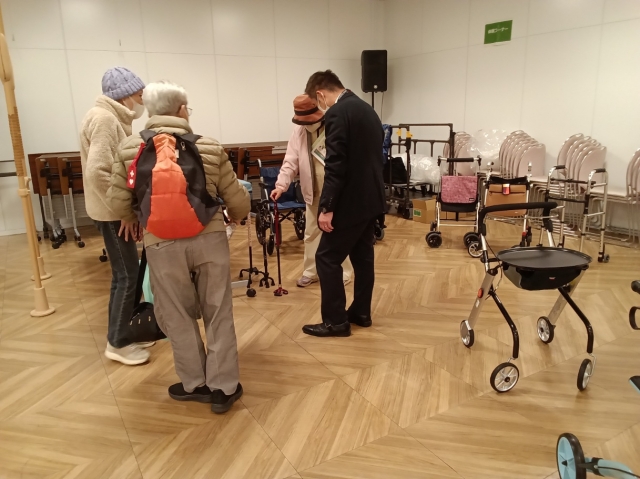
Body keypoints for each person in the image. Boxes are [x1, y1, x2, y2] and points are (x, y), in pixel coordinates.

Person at [108, 81, 251, 414]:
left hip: (161, 242)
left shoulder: (130, 148)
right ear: (182, 109)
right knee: (218, 311)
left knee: (176, 314)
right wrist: (237, 214)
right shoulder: (209, 146)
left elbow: (117, 202)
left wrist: (134, 218)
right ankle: (224, 387)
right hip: (209, 237)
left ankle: (193, 383)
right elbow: (237, 198)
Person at [301, 70, 386, 338]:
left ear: (320, 94)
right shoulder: (367, 110)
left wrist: (326, 208)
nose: (320, 107)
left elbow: (336, 165)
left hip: (350, 202)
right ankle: (361, 312)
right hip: (371, 199)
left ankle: (336, 321)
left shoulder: (337, 113)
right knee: (363, 258)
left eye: (318, 103)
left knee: (326, 258)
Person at [79, 66, 151, 365]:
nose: (142, 100)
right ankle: (118, 342)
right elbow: (98, 171)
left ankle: (124, 332)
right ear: (125, 95)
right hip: (111, 213)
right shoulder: (106, 119)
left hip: (111, 209)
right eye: (140, 95)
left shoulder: (109, 117)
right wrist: (125, 211)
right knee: (127, 275)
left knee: (124, 274)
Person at [270, 94, 353, 288]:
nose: (307, 124)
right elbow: (290, 161)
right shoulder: (299, 131)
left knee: (339, 233)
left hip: (336, 193)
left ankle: (343, 272)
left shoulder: (333, 127)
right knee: (311, 234)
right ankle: (311, 271)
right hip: (312, 192)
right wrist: (281, 185)